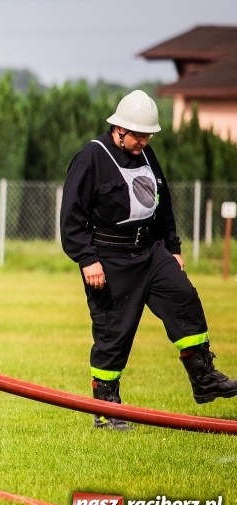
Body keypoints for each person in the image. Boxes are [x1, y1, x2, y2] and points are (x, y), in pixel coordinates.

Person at [60, 90, 237, 431]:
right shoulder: (91, 158)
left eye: (148, 135)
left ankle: (204, 378)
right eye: (138, 135)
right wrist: (87, 259)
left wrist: (173, 247)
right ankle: (105, 408)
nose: (143, 141)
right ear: (119, 129)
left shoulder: (145, 154)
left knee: (184, 298)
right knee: (114, 333)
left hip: (151, 251)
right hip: (109, 257)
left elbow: (162, 202)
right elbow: (71, 216)